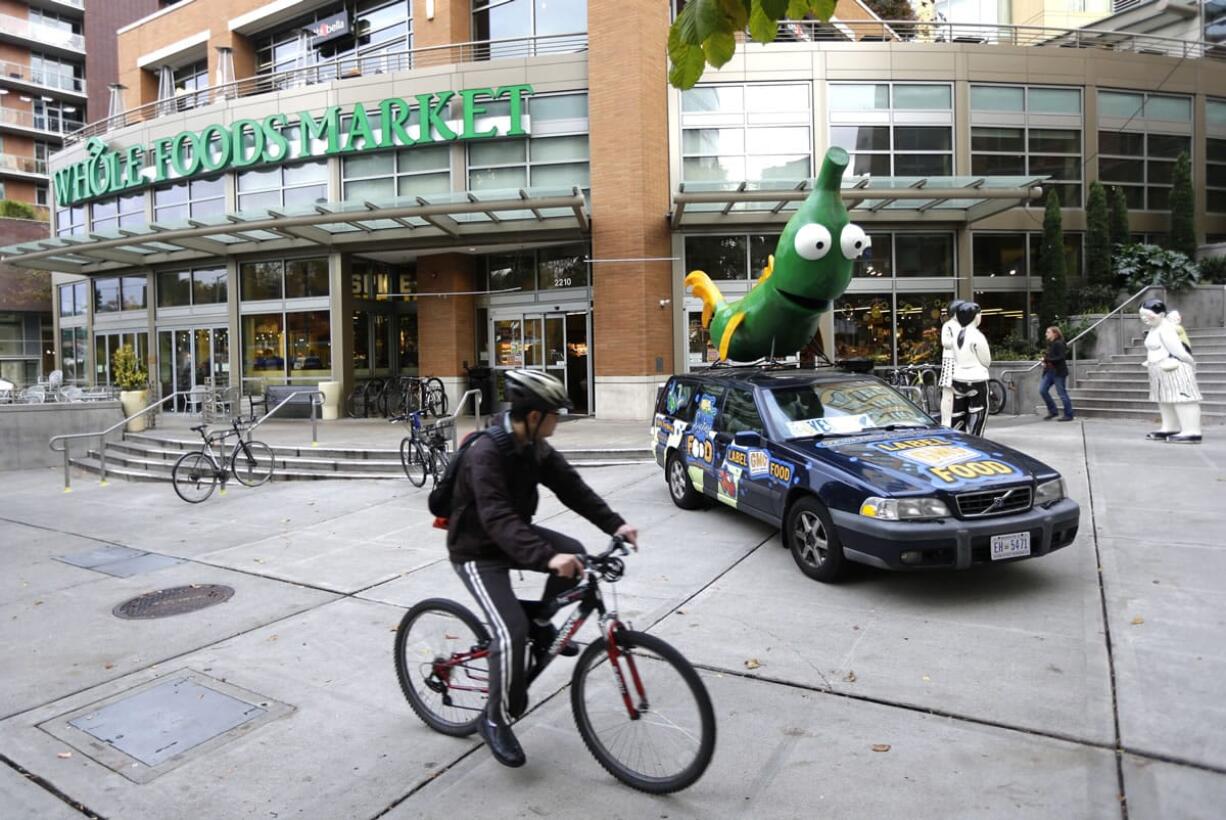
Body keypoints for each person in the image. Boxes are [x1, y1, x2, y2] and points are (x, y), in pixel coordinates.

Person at [447, 369, 639, 768]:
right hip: (476, 551)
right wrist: (546, 557)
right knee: (509, 631)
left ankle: (540, 622)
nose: (559, 421)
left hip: (514, 536)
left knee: (576, 554)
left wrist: (616, 524)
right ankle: (495, 719)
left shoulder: (536, 447)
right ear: (534, 416)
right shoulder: (486, 453)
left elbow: (573, 488)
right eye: (555, 414)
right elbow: (497, 517)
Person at [1140, 299, 1202, 443]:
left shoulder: (1167, 328)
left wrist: (1190, 362)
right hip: (1158, 370)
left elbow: (1178, 350)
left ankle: (1191, 430)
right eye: (1142, 316)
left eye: (1147, 316)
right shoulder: (1153, 328)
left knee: (1183, 399)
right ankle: (1169, 426)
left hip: (1175, 369)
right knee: (1164, 400)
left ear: (1161, 314)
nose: (1144, 319)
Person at [950, 301, 992, 436]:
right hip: (977, 379)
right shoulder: (977, 336)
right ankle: (975, 442)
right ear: (975, 316)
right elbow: (986, 361)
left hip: (957, 378)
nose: (980, 316)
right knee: (977, 415)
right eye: (979, 314)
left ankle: (958, 441)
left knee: (958, 415)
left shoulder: (956, 335)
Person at [938, 299, 965, 427]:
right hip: (950, 360)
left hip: (960, 360)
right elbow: (945, 342)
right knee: (948, 391)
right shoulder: (947, 325)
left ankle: (958, 420)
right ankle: (946, 421)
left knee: (960, 392)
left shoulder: (964, 325)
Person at [1039, 326, 1074, 421]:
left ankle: (1069, 415)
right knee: (1042, 390)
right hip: (1049, 371)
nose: (1046, 334)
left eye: (1048, 332)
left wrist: (1046, 359)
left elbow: (1060, 357)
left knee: (1062, 393)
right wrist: (1045, 361)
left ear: (1055, 333)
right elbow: (1051, 357)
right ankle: (1053, 411)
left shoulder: (1059, 343)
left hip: (1058, 372)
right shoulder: (1051, 344)